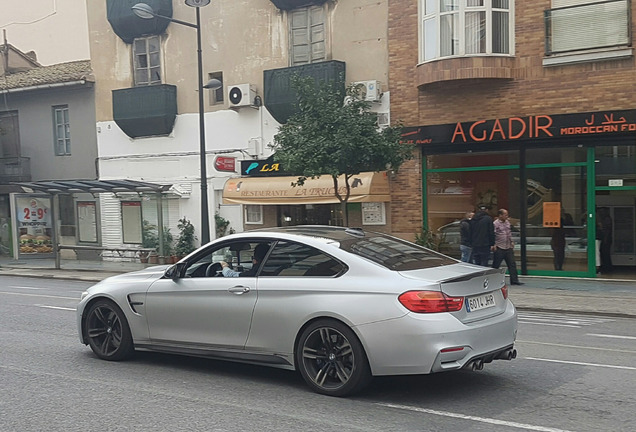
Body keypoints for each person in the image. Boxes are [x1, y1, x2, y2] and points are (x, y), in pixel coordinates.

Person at [492, 208, 522, 285]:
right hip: (499, 246)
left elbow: (509, 233)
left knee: (512, 264)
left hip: (508, 246)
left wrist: (511, 241)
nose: (507, 216)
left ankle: (514, 280)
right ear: (500, 215)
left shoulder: (507, 223)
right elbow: (493, 235)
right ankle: (492, 280)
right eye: (505, 215)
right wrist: (494, 244)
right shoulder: (495, 224)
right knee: (496, 265)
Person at [598, 207, 613, 274]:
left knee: (605, 254)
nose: (601, 213)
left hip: (606, 239)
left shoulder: (606, 219)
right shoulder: (604, 219)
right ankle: (606, 267)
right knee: (604, 254)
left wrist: (605, 239)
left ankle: (607, 268)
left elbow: (607, 230)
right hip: (605, 239)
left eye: (602, 211)